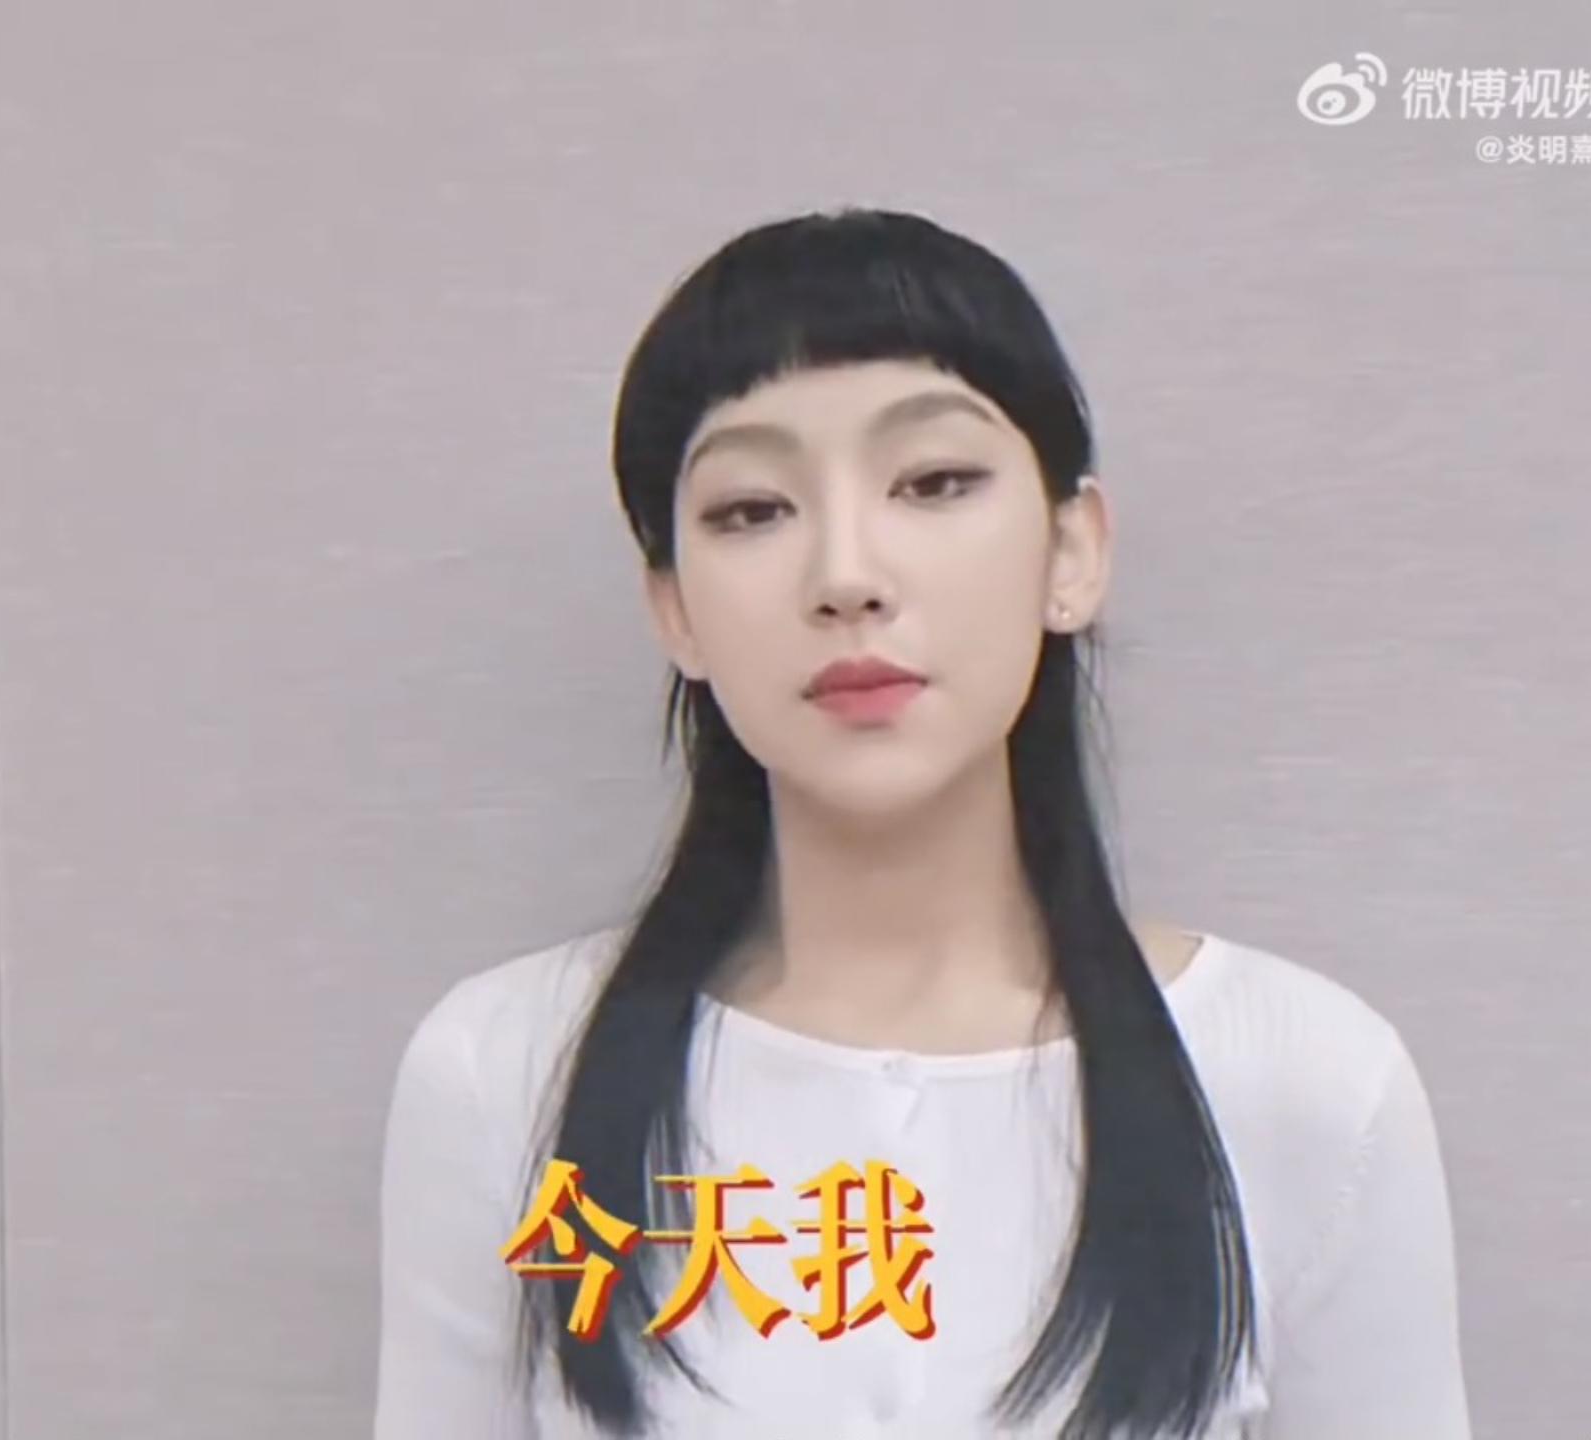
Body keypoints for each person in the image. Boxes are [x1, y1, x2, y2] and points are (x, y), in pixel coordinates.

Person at [373, 206, 1472, 1438]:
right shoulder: (504, 1078)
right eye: (752, 509)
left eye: (934, 482)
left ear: (1071, 550)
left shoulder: (1304, 1083)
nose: (846, 574)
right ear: (674, 609)